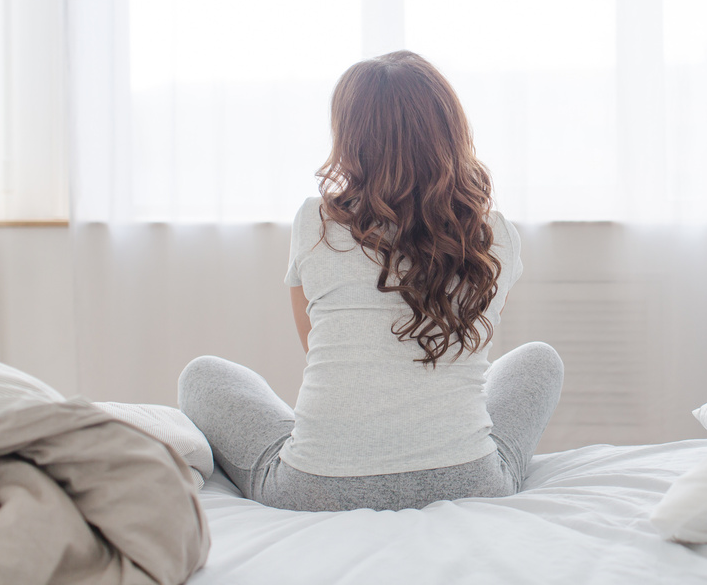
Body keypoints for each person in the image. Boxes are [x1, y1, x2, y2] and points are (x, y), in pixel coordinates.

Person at [178, 51, 564, 512]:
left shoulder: (315, 222)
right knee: (539, 361)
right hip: (471, 480)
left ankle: (320, 446)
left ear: (349, 139)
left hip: (316, 489)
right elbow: (467, 353)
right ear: (451, 132)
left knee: (201, 375)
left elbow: (316, 344)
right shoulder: (494, 235)